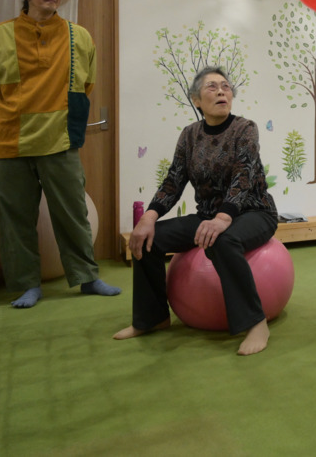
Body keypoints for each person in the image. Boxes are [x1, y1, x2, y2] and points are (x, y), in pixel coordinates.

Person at [113, 67, 278, 356]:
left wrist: (224, 218)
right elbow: (174, 180)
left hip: (253, 212)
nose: (221, 91)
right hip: (208, 216)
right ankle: (153, 318)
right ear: (196, 100)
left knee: (223, 240)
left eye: (226, 87)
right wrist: (149, 217)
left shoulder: (245, 129)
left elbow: (244, 175)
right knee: (150, 240)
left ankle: (256, 322)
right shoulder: (189, 135)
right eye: (212, 87)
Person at [0, 0, 121, 308]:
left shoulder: (80, 36)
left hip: (60, 139)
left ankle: (87, 277)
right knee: (15, 218)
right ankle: (26, 284)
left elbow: (87, 84)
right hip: (11, 139)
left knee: (73, 212)